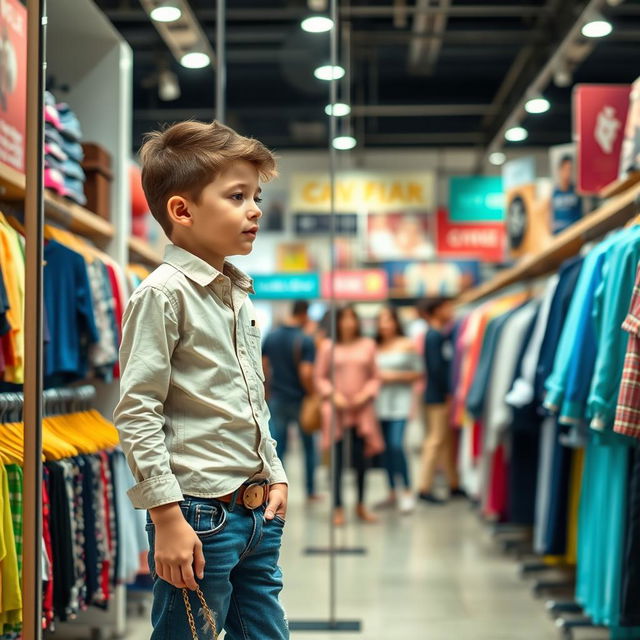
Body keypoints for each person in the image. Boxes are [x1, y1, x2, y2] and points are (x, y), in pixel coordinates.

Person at [114, 121, 289, 640]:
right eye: (237, 196)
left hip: (256, 512)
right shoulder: (162, 294)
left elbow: (249, 398)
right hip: (197, 515)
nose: (255, 209)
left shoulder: (236, 294)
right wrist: (166, 516)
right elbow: (137, 408)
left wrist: (273, 470)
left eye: (255, 196)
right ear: (182, 210)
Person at [315, 305, 385, 526]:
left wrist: (365, 394)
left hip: (362, 410)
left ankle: (361, 504)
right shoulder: (328, 346)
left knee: (362, 460)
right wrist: (333, 395)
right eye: (343, 318)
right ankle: (337, 507)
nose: (348, 323)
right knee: (336, 462)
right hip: (336, 411)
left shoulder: (368, 345)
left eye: (351, 318)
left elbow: (376, 376)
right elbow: (320, 377)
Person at [262, 300, 320, 501]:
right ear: (304, 314)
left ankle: (277, 489)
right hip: (300, 399)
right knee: (308, 447)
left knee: (279, 447)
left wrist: (267, 392)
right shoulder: (305, 340)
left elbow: (264, 367)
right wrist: (313, 394)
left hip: (277, 398)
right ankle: (310, 490)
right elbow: (306, 373)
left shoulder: (272, 336)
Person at [374, 306, 423, 514]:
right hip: (378, 404)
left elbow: (418, 373)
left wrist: (393, 376)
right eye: (381, 320)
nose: (385, 325)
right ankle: (392, 491)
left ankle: (408, 490)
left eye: (389, 320)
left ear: (396, 322)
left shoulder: (407, 345)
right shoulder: (374, 346)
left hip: (400, 403)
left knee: (396, 445)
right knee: (384, 449)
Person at [417, 297, 462, 505]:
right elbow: (436, 368)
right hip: (437, 395)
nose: (450, 310)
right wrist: (447, 392)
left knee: (444, 440)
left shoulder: (436, 334)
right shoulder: (434, 336)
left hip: (436, 393)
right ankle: (423, 486)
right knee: (435, 440)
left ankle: (454, 483)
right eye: (447, 306)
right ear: (437, 310)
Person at [551, 155, 583, 234]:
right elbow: (550, 217)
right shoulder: (554, 193)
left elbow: (581, 215)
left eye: (570, 169)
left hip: (573, 234)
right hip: (558, 236)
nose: (568, 173)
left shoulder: (576, 192)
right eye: (565, 169)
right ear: (560, 170)